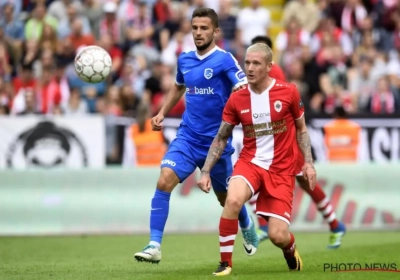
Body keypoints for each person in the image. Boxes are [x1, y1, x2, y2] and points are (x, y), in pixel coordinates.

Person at [134, 8, 258, 264]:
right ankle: (154, 244)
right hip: (188, 138)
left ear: (215, 31)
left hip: (217, 143)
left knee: (227, 198)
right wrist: (162, 112)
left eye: (204, 28)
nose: (198, 33)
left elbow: (244, 91)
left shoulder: (225, 60)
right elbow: (179, 86)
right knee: (164, 180)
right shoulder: (185, 59)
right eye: (194, 28)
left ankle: (247, 225)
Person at [198, 43, 315, 276]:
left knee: (277, 236)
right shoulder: (237, 98)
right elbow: (221, 137)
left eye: (256, 63)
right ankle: (225, 263)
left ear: (269, 67)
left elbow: (301, 129)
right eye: (247, 63)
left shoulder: (288, 92)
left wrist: (308, 163)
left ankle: (290, 249)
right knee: (232, 200)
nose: (249, 68)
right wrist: (205, 171)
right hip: (250, 162)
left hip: (281, 170)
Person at [248, 35, 346, 249]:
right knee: (300, 182)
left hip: (284, 142)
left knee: (256, 176)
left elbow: (285, 110)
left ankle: (265, 225)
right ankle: (335, 224)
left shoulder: (271, 74)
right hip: (274, 140)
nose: (252, 65)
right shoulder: (263, 73)